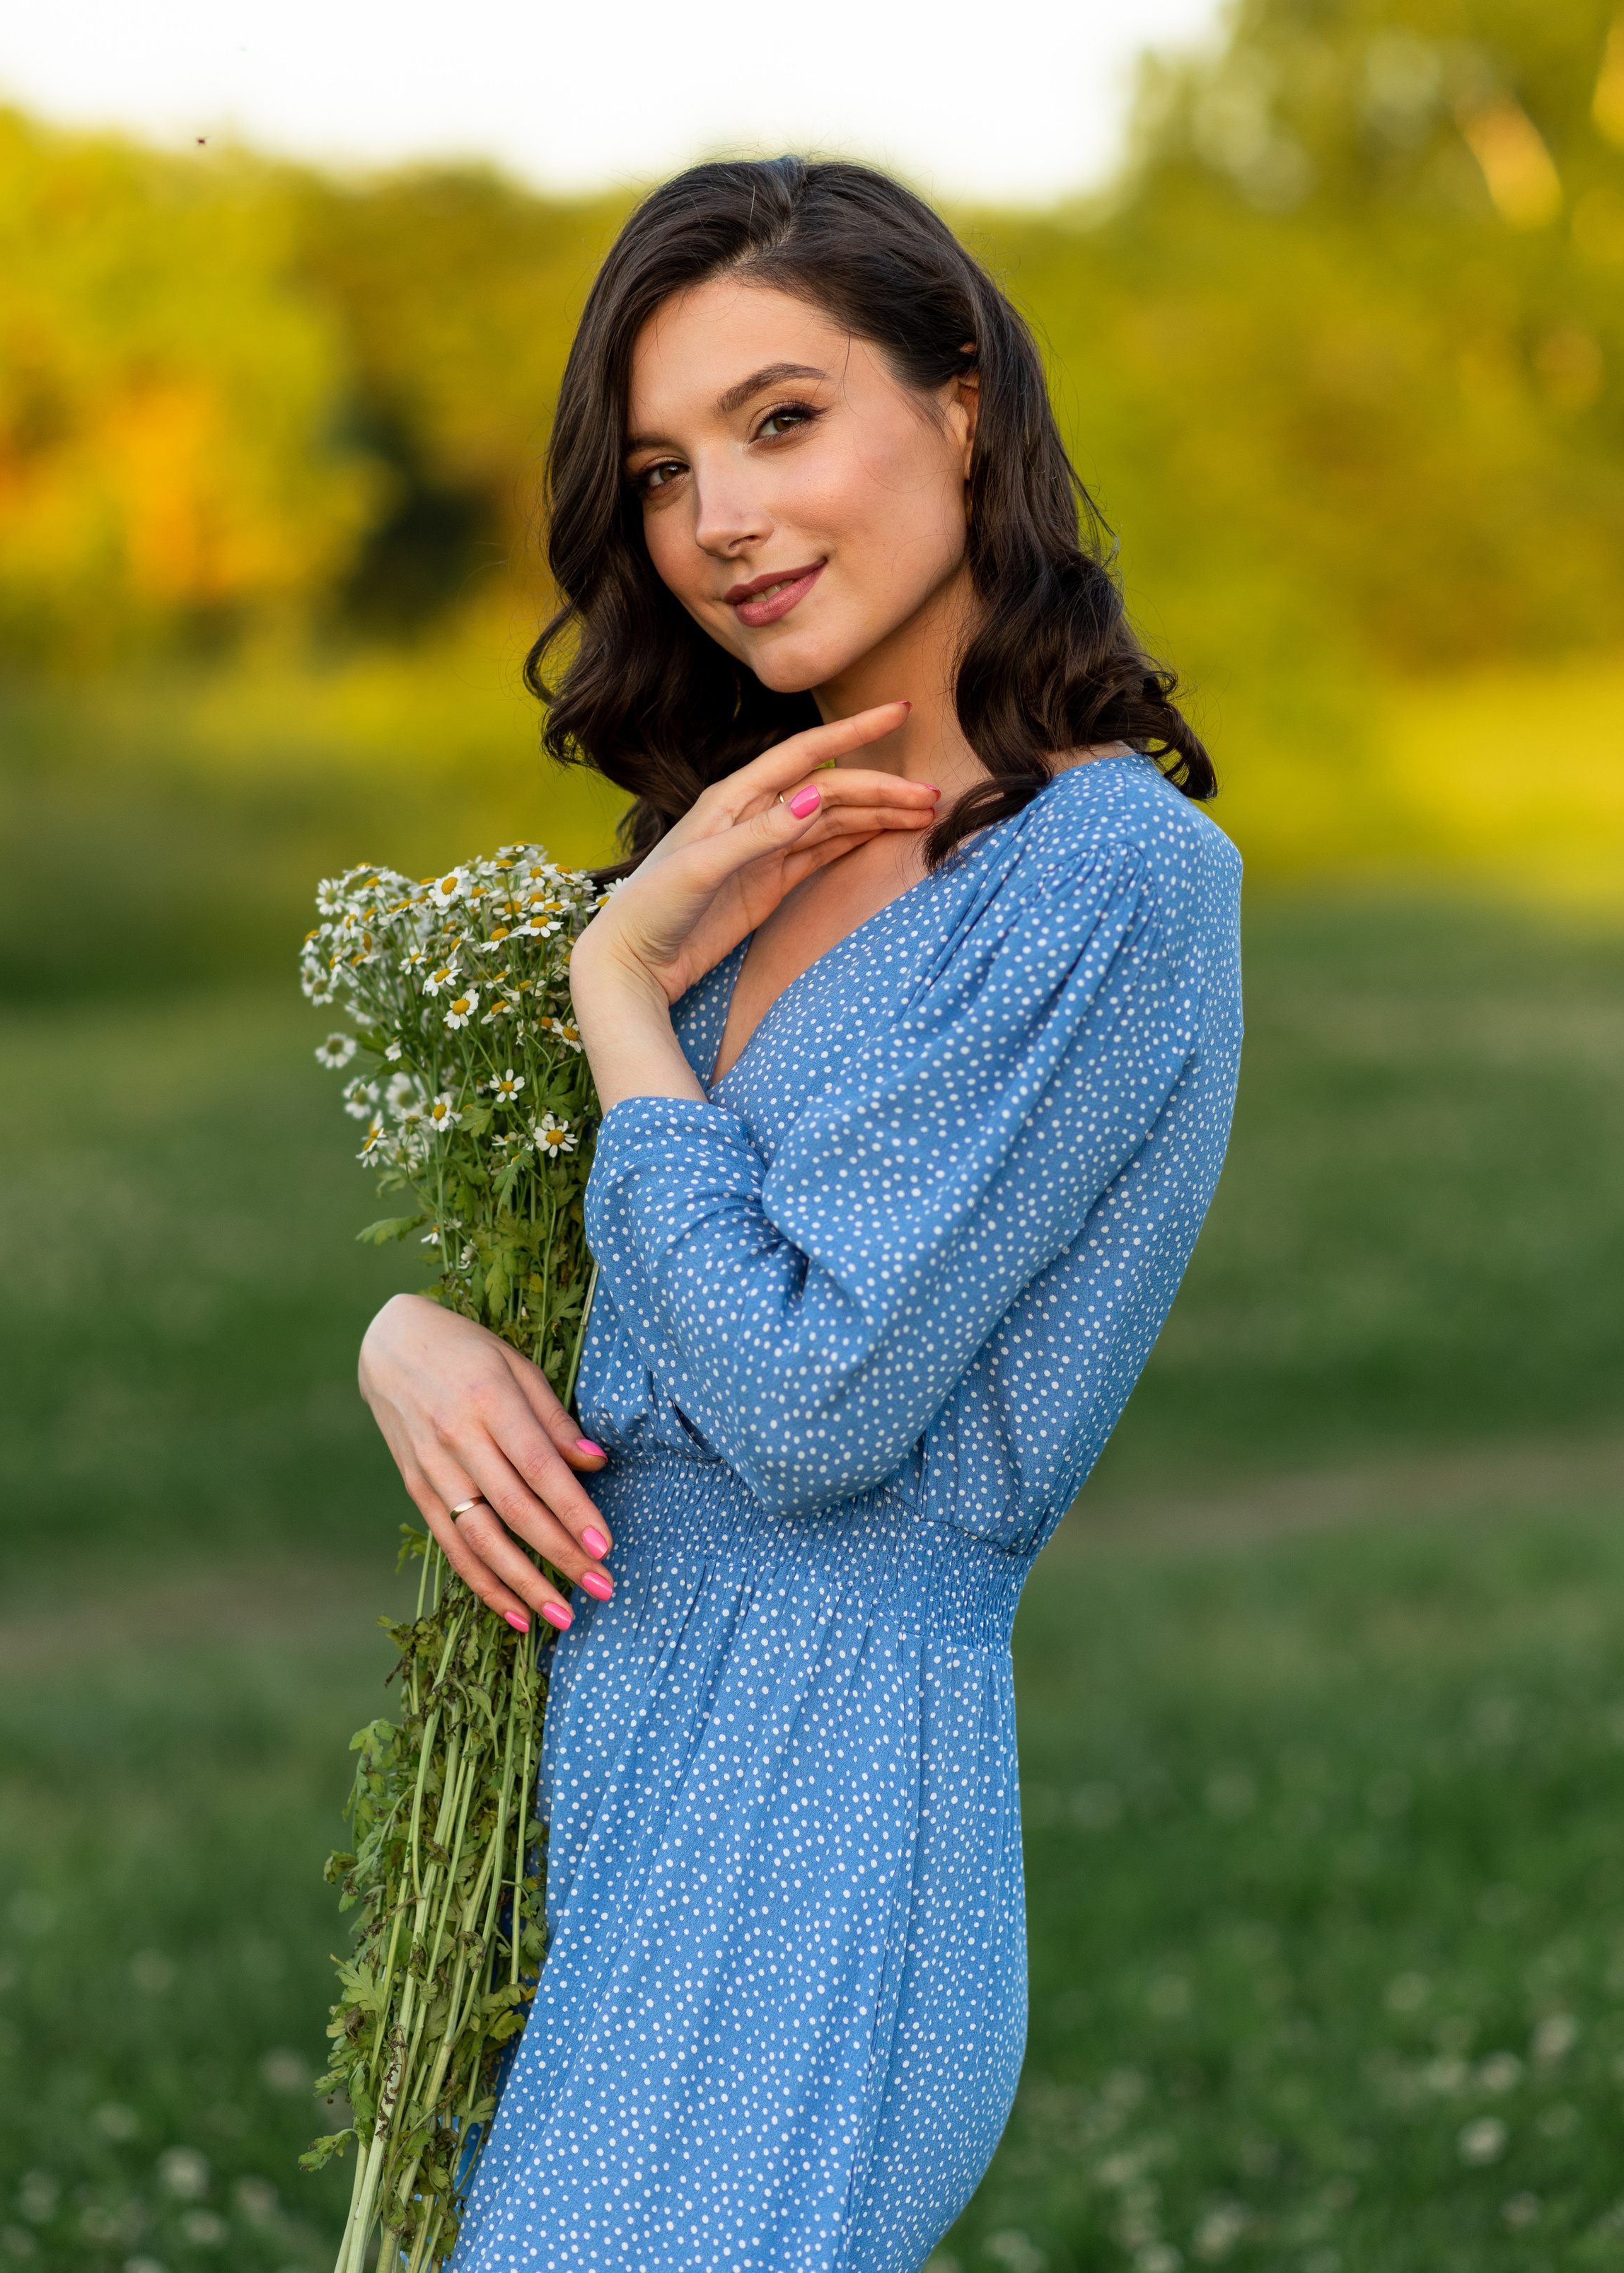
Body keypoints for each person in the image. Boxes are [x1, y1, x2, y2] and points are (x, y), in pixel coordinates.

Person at [357, 157, 1243, 2273]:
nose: (719, 521)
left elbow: (817, 1399)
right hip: (594, 1779)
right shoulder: (719, 861)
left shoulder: (1109, 883)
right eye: (665, 472)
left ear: (957, 407)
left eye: (780, 421)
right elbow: (624, 1309)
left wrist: (612, 997)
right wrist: (412, 1336)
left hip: (827, 1821)